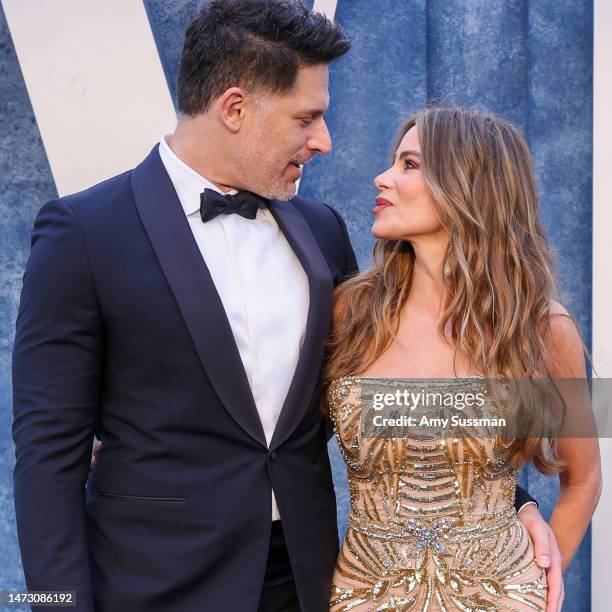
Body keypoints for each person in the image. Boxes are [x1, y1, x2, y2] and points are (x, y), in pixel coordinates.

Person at [11, 2, 562, 610]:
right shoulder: (84, 232)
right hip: (153, 585)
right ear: (236, 109)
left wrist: (512, 503)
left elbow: (383, 389)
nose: (323, 142)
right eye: (307, 118)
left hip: (310, 580)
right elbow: (47, 461)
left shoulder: (321, 230)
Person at [323, 107, 602, 611]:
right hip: (364, 596)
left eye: (409, 165)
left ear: (468, 188)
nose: (382, 177)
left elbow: (583, 478)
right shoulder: (350, 312)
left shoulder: (544, 328)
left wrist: (538, 580)